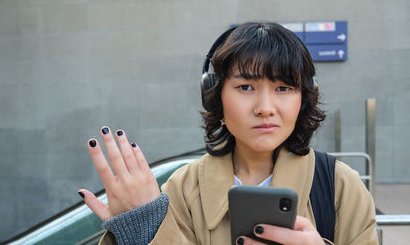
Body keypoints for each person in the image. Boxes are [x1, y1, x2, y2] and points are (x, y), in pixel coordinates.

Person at [77, 22, 378, 245]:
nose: (265, 108)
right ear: (214, 95)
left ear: (303, 98)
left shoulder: (340, 187)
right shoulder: (183, 189)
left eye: (283, 88)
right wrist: (143, 227)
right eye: (246, 87)